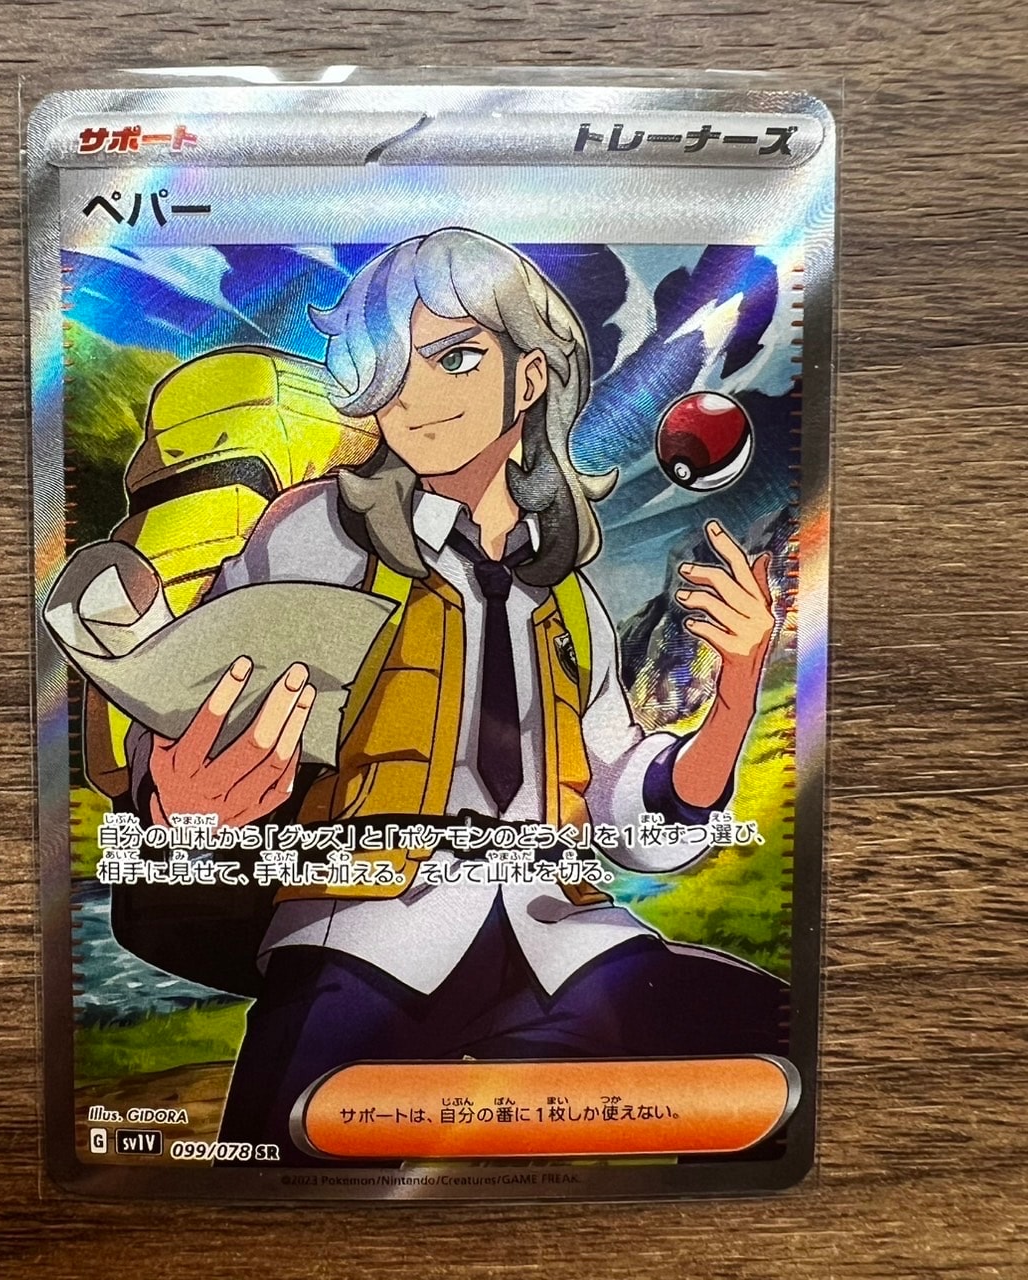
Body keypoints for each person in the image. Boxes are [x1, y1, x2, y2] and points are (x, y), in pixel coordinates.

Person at [123, 227, 784, 1158]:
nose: (416, 397)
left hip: (560, 939)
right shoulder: (320, 536)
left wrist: (737, 693)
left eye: (456, 358)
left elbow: (630, 817)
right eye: (389, 367)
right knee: (276, 1160)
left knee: (775, 1053)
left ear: (531, 376)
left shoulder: (567, 597)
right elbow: (196, 700)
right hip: (364, 939)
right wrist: (180, 805)